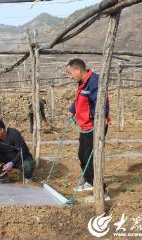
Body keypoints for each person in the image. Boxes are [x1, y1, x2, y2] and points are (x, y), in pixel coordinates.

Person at [66, 58, 110, 199]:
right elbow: (79, 99)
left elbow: (101, 101)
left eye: (70, 73)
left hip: (94, 126)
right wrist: (72, 110)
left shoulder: (94, 81)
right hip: (85, 126)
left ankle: (102, 192)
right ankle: (89, 182)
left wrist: (101, 117)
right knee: (82, 155)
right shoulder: (82, 82)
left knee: (91, 159)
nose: (70, 76)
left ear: (78, 70)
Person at [0, 119, 34, 184]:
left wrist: (12, 162)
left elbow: (23, 150)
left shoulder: (14, 133)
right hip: (6, 159)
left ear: (1, 130)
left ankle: (28, 178)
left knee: (28, 164)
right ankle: (3, 177)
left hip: (19, 159)